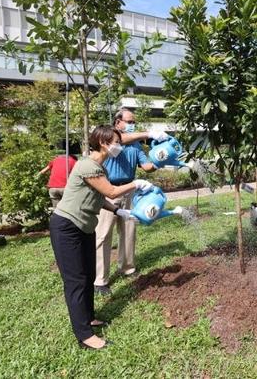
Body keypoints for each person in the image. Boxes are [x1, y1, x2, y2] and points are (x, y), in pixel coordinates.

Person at [50, 125, 153, 350]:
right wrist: (136, 183)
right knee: (76, 281)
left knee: (87, 275)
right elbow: (111, 192)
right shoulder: (88, 165)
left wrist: (118, 211)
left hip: (83, 227)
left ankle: (89, 318)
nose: (120, 145)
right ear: (104, 143)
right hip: (67, 227)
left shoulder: (99, 166)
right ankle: (84, 335)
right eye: (117, 141)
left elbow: (99, 197)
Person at [93, 109, 166, 296]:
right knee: (103, 235)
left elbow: (147, 167)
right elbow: (122, 139)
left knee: (128, 232)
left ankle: (127, 268)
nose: (132, 123)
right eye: (129, 121)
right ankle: (100, 279)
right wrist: (148, 134)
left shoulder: (135, 147)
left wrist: (162, 157)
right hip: (108, 191)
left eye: (133, 121)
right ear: (117, 123)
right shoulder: (111, 141)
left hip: (129, 191)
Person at [38, 143, 80, 207]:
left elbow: (42, 172)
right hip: (65, 188)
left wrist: (37, 177)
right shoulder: (74, 161)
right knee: (68, 209)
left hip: (52, 188)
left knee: (57, 211)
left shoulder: (55, 160)